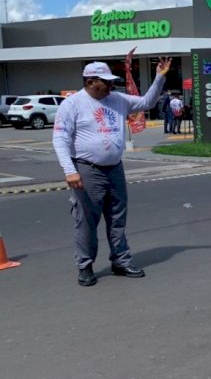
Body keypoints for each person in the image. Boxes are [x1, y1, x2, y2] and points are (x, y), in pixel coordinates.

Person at [52, 58, 171, 286]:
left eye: (110, 81)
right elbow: (60, 139)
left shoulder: (118, 100)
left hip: (115, 169)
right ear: (90, 82)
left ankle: (120, 260)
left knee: (117, 219)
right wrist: (70, 170)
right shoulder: (73, 104)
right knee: (86, 221)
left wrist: (159, 76)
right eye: (105, 82)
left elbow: (147, 102)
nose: (110, 86)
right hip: (87, 170)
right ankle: (85, 266)